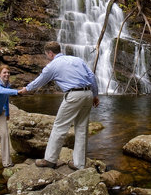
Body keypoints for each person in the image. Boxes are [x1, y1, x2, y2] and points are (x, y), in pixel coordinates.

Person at [19, 41, 99, 170]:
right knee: (82, 128)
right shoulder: (77, 59)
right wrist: (95, 95)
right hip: (88, 93)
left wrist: (26, 89)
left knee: (60, 127)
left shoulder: (52, 66)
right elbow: (92, 77)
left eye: (47, 55)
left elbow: (39, 81)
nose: (47, 57)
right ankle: (79, 164)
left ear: (50, 53)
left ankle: (50, 160)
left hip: (73, 95)